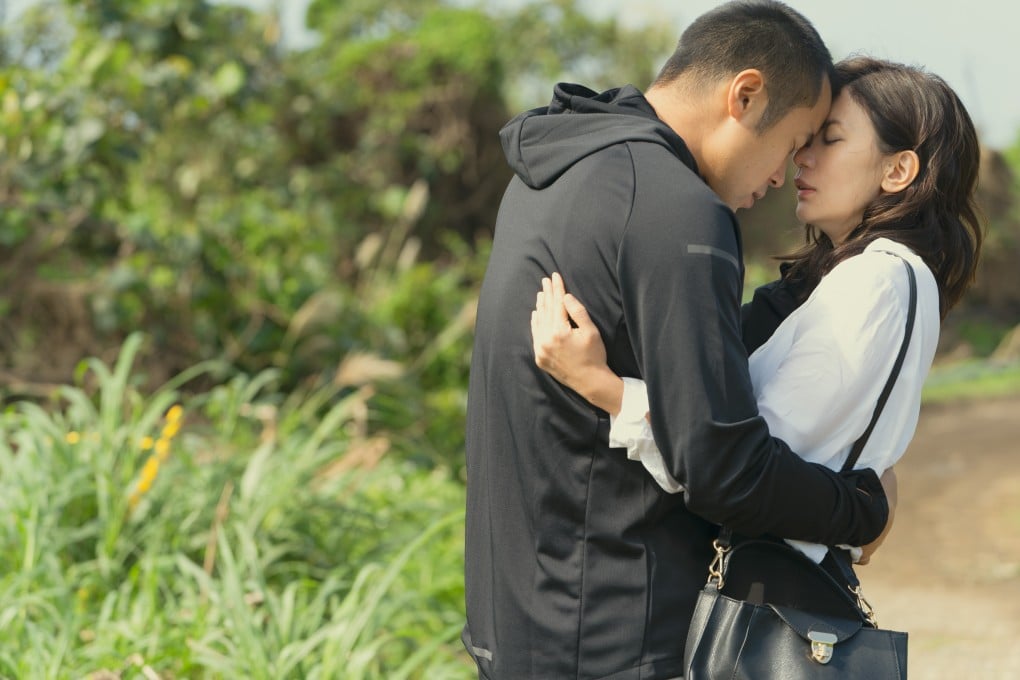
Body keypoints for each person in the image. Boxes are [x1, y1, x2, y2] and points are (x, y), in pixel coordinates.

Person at [463, 3, 894, 679]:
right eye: (794, 140)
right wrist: (863, 510)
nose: (783, 174)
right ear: (745, 95)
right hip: (618, 636)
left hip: (518, 621)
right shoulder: (676, 207)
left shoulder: (553, 171)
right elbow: (726, 469)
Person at [531, 57, 982, 573]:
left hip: (768, 591)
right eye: (804, 142)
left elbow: (742, 468)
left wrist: (601, 385)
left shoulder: (878, 279)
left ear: (898, 170)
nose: (801, 160)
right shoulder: (839, 279)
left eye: (828, 140)